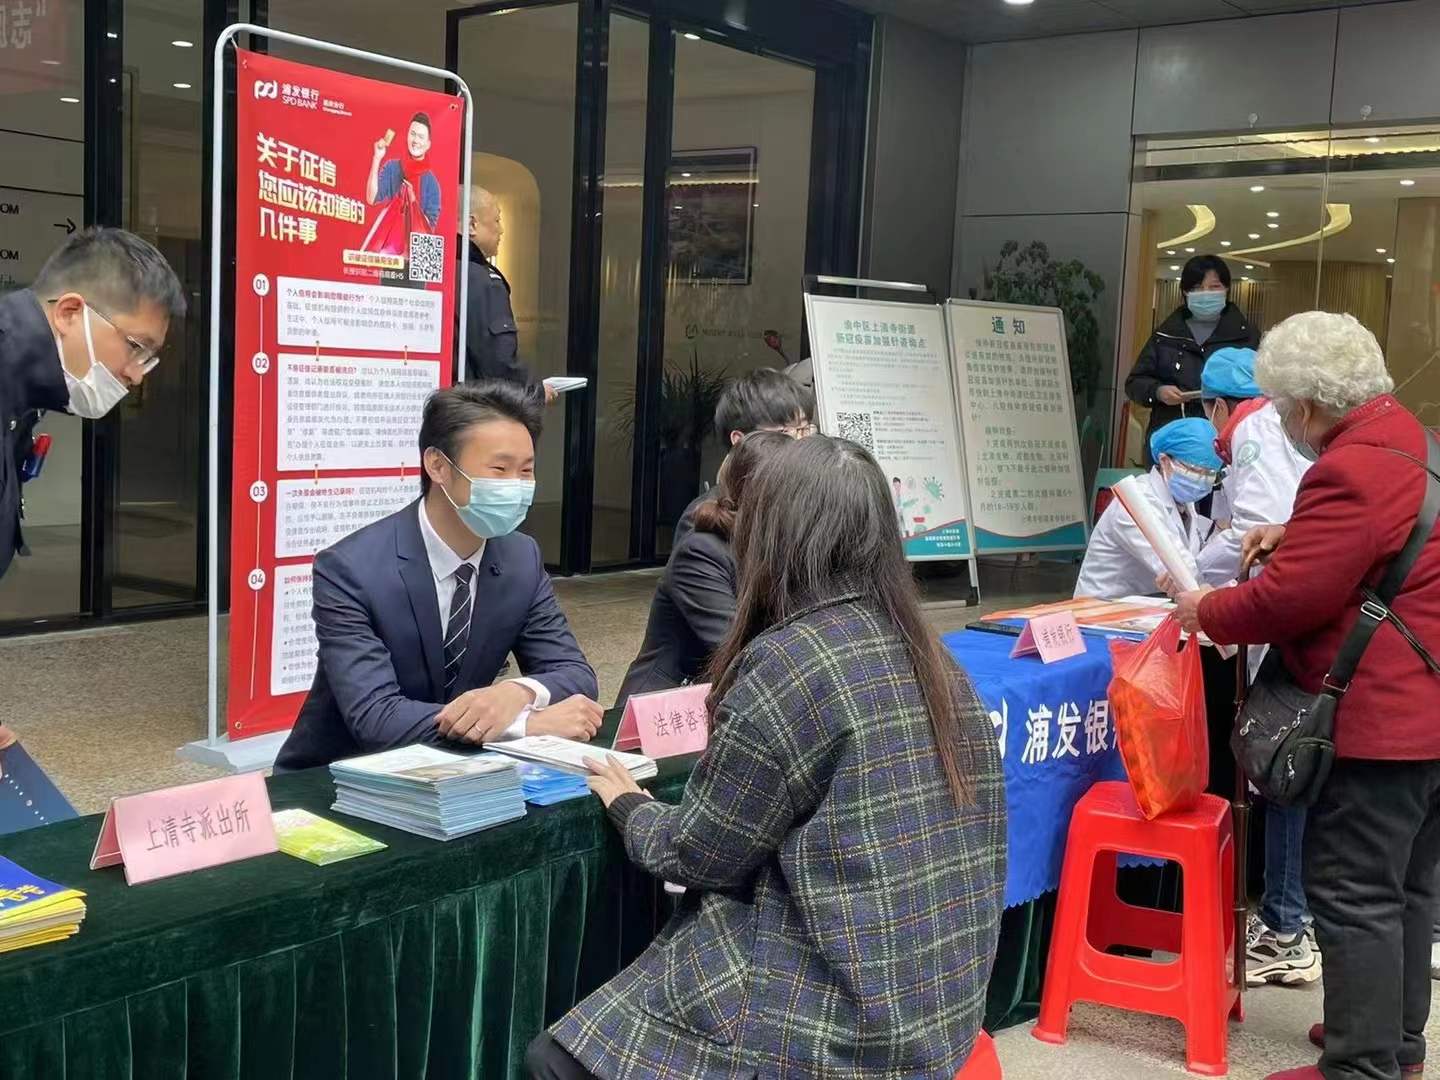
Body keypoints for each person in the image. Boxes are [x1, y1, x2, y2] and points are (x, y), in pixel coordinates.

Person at [527, 435, 1006, 1080]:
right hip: (940, 1003)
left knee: (555, 1060)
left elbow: (700, 852)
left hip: (836, 1019)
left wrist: (630, 806)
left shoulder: (792, 662)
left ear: (769, 537)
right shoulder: (930, 653)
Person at [1171, 312, 1440, 1080]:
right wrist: (1295, 533)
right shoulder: (1412, 441)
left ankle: (1361, 1067)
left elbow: (1290, 601)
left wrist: (1207, 609)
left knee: (1354, 894)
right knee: (1407, 891)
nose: (1284, 422)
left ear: (1310, 405)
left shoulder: (1348, 469)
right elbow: (1386, 538)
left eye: (1285, 407)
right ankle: (1395, 1044)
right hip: (1427, 713)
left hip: (1378, 723)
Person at [275, 380, 601, 771]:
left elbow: (575, 674)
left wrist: (518, 693)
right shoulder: (350, 569)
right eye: (499, 469)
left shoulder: (521, 557)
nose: (516, 487)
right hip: (346, 775)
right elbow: (377, 718)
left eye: (526, 471)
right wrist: (521, 725)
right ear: (438, 466)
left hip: (466, 772)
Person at [1194, 345, 1319, 989]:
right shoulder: (1291, 429)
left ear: (1219, 404)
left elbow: (1256, 533)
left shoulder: (1251, 428)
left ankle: (1284, 925)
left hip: (1284, 627)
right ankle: (1294, 916)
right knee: (1300, 772)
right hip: (1315, 626)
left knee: (1281, 770)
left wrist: (1199, 584)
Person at [1, 227, 184, 582]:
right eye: (136, 347)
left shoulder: (23, 388)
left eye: (148, 358)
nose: (136, 375)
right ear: (69, 313)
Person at [615, 430, 790, 703]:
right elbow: (737, 644)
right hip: (669, 706)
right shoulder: (700, 552)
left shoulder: (773, 546)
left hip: (729, 696)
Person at [1126, 254, 1260, 467]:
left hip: (1229, 441)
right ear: (1185, 292)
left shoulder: (1247, 336)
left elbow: (1261, 389)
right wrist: (1158, 391)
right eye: (1197, 288)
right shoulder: (1166, 334)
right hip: (1173, 441)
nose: (1206, 294)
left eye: (1214, 287)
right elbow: (1135, 382)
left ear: (1227, 289)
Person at [1074, 417, 1220, 600]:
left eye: (1210, 474)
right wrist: (1199, 584)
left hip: (1146, 604)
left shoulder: (1184, 504)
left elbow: (1188, 569)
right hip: (1103, 605)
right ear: (1165, 461)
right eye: (1195, 471)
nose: (1202, 480)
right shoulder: (1136, 501)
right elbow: (1178, 566)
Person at [672, 367, 814, 550]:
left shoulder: (810, 501)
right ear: (739, 441)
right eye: (785, 432)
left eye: (805, 429)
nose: (801, 442)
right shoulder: (705, 522)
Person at [460, 185, 554, 402]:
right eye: (496, 220)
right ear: (472, 225)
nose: (501, 230)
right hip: (472, 410)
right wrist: (535, 392)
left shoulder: (442, 273)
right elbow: (498, 363)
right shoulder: (483, 282)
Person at [366, 112, 442, 232]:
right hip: (390, 238)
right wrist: (377, 158)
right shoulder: (392, 167)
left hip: (414, 241)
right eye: (413, 134)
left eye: (421, 137)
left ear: (428, 144)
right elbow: (371, 198)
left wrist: (412, 202)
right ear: (407, 135)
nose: (415, 140)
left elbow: (429, 228)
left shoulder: (432, 183)